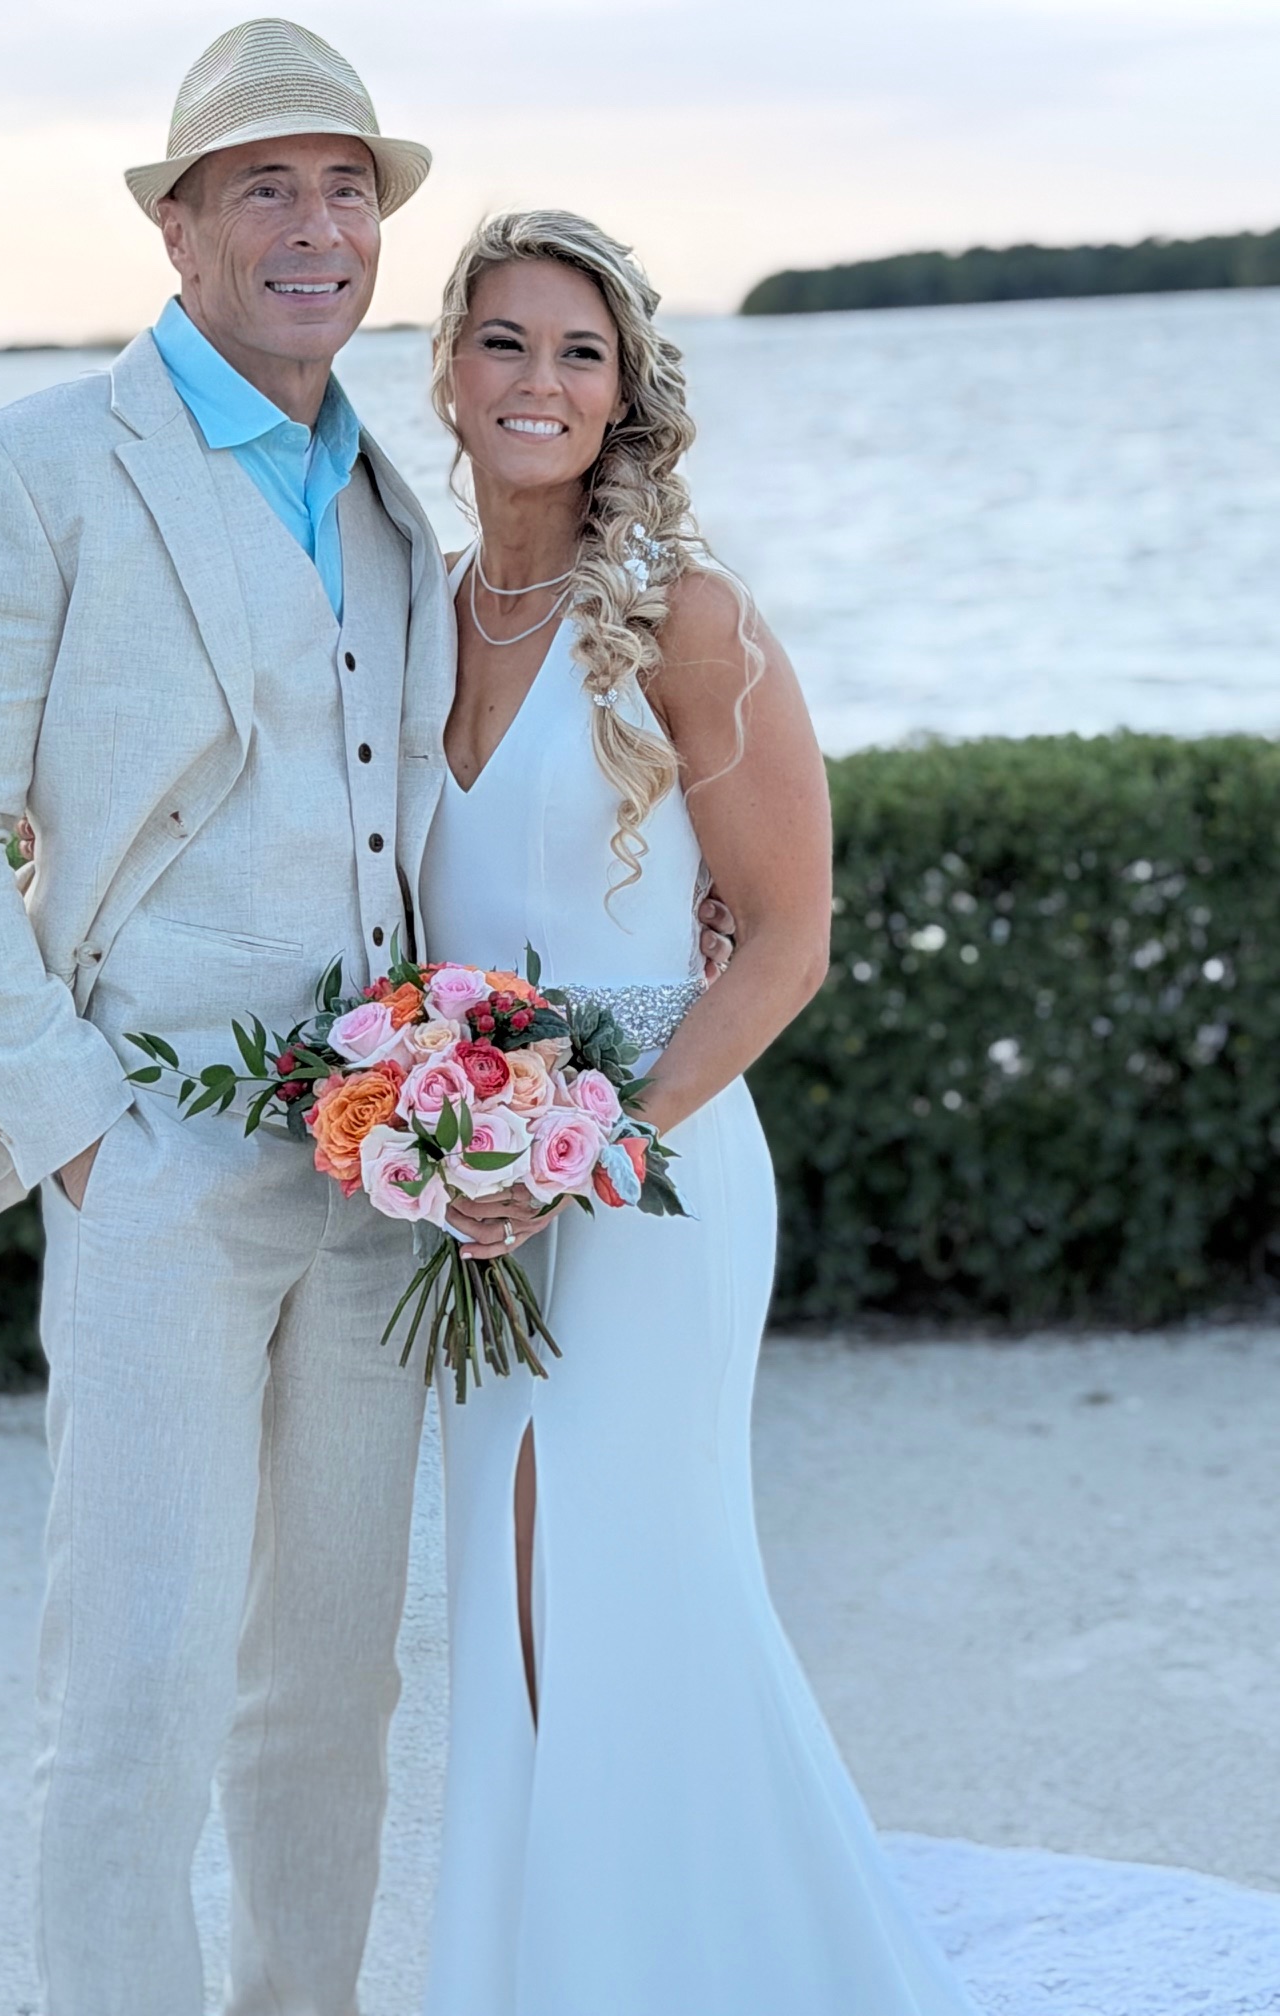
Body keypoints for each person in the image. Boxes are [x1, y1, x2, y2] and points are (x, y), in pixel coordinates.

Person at [0, 22, 732, 2016]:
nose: (317, 227)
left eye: (346, 190)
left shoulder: (400, 502)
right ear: (177, 228)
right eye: (265, 188)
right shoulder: (22, 472)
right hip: (150, 1161)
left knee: (333, 1682)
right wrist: (79, 1130)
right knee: (133, 1688)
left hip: (378, 1171)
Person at [418, 210, 980, 2015]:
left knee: (627, 1585)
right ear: (449, 370)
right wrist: (426, 1126)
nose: (540, 381)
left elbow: (787, 942)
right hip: (471, 1189)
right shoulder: (411, 619)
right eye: (506, 341)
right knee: (510, 1612)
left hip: (654, 1178)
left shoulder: (687, 617)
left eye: (579, 352)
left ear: (624, 393)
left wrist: (589, 1143)